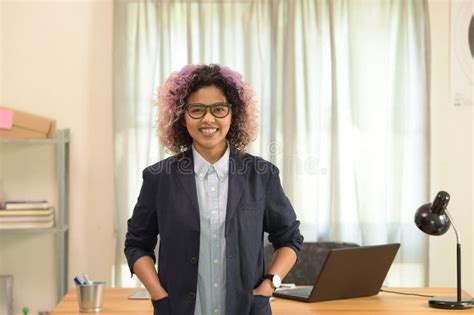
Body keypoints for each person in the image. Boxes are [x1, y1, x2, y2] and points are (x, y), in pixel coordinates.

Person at [124, 64, 303, 315]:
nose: (208, 119)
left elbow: (289, 239)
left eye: (219, 109)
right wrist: (159, 296)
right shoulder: (159, 178)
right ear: (181, 115)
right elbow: (137, 244)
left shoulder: (262, 175)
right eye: (196, 110)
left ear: (234, 114)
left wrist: (269, 284)